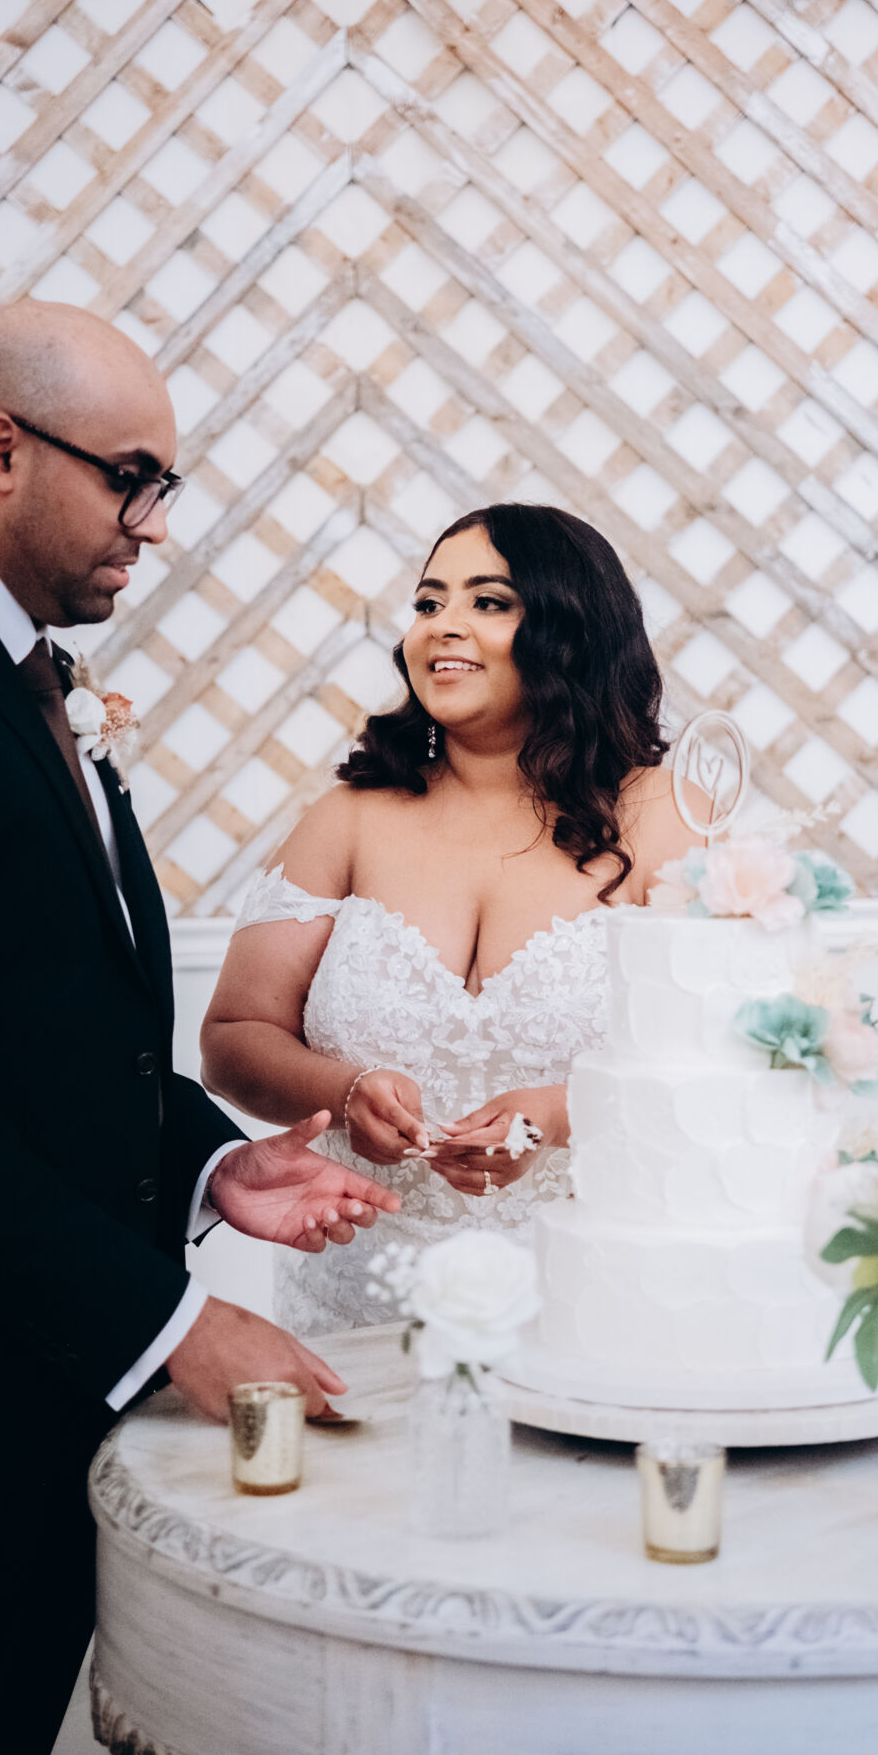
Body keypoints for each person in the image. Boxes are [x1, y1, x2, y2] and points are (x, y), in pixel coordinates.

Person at [0, 301, 399, 1755]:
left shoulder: (12, 668)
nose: (153, 525)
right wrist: (176, 1327)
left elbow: (51, 1021)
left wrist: (207, 1164)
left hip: (21, 1343)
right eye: (132, 478)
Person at [201, 503, 709, 1336]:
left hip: (595, 1302)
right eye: (429, 602)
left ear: (573, 628)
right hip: (359, 1298)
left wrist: (559, 1116)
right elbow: (232, 1039)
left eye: (489, 601)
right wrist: (345, 1093)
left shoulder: (665, 817)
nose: (442, 625)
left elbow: (730, 1060)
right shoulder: (349, 817)